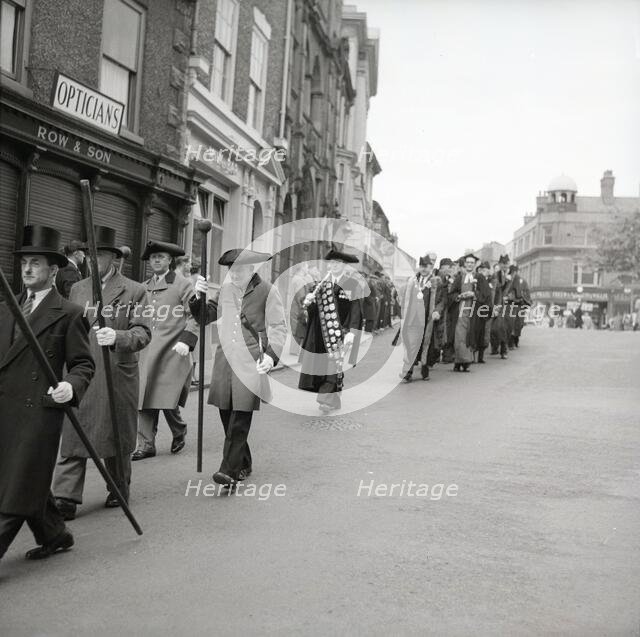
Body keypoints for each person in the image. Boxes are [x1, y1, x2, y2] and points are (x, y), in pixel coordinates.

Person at [0, 225, 95, 560]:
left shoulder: (68, 314)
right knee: (28, 479)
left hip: (39, 410)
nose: (27, 269)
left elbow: (84, 364)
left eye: (36, 263)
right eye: (24, 262)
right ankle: (54, 534)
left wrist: (71, 385)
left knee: (17, 482)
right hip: (5, 408)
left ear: (54, 271)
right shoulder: (6, 307)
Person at [53, 226, 151, 520]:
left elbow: (143, 331)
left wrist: (119, 337)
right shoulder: (78, 288)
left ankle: (118, 487)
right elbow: (69, 327)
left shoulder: (135, 290)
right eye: (89, 256)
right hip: (83, 369)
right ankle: (65, 496)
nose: (92, 261)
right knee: (74, 431)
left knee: (116, 435)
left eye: (99, 256)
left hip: (115, 372)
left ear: (113, 258)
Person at [191, 249, 287, 487]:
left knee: (239, 419)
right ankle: (243, 462)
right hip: (225, 361)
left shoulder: (267, 291)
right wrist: (197, 298)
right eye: (230, 270)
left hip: (251, 362)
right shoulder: (225, 290)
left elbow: (277, 327)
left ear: (251, 269)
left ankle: (229, 471)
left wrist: (272, 356)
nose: (233, 275)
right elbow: (205, 317)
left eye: (239, 270)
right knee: (226, 415)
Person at [133, 240, 199, 461]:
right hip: (146, 350)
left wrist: (186, 341)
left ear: (170, 260)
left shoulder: (183, 284)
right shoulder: (143, 287)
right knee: (143, 396)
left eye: (160, 257)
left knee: (166, 397)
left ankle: (179, 430)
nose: (156, 260)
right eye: (153, 257)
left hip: (173, 350)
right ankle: (146, 444)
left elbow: (195, 316)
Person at [298, 248, 359, 413]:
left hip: (341, 332)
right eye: (331, 263)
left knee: (334, 365)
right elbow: (313, 312)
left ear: (344, 265)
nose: (334, 266)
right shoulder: (321, 285)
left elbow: (355, 310)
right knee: (326, 365)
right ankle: (334, 399)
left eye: (338, 263)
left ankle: (325, 399)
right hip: (321, 332)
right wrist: (310, 302)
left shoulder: (351, 284)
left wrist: (352, 331)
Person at [398, 255, 442, 382]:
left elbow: (441, 299)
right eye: (421, 266)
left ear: (431, 267)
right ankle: (407, 372)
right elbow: (403, 296)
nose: (423, 269)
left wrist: (437, 311)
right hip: (412, 319)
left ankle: (425, 369)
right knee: (411, 344)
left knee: (425, 345)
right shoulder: (412, 281)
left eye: (426, 266)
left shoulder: (436, 282)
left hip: (427, 320)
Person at [449, 253, 479, 372]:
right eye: (468, 262)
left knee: (469, 334)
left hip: (473, 310)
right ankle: (458, 360)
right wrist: (460, 296)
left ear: (475, 264)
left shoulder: (479, 277)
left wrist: (474, 294)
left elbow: (485, 294)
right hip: (460, 309)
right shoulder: (459, 278)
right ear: (465, 264)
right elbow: (452, 294)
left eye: (472, 262)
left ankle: (466, 361)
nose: (470, 264)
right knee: (459, 335)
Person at [468, 261, 493, 363]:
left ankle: (477, 356)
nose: (486, 271)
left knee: (480, 332)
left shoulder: (484, 279)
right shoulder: (480, 278)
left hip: (482, 308)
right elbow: (483, 294)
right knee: (478, 332)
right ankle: (476, 356)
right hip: (480, 308)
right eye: (485, 269)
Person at [504, 264, 532, 347]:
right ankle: (511, 341)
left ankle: (516, 338)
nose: (514, 274)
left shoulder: (523, 281)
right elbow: (505, 292)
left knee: (519, 324)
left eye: (515, 272)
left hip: (520, 305)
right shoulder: (508, 280)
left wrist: (524, 299)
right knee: (511, 324)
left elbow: (527, 292)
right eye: (512, 272)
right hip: (510, 305)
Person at [490, 255, 510, 359]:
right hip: (498, 304)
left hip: (508, 305)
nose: (505, 266)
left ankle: (503, 349)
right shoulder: (496, 275)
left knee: (505, 327)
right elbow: (495, 290)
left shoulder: (510, 275)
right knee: (498, 328)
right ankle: (498, 347)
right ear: (500, 264)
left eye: (507, 264)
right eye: (503, 264)